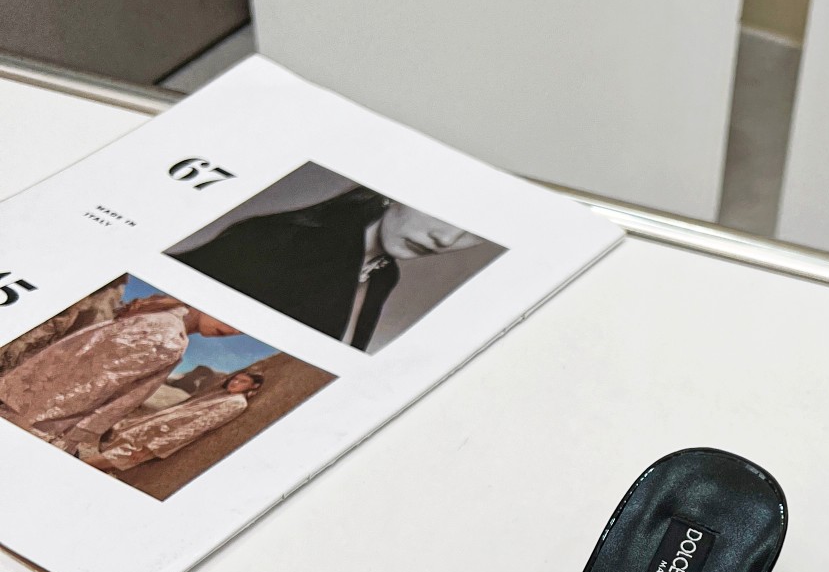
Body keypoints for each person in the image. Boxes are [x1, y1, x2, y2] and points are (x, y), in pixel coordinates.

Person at [176, 187, 482, 351]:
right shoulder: (281, 240)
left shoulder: (383, 274)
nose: (446, 239)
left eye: (474, 232)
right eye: (445, 213)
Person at [0, 292, 241, 452]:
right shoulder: (168, 335)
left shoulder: (159, 320)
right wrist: (54, 435)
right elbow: (96, 383)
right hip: (39, 421)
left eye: (239, 330)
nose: (233, 331)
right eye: (232, 319)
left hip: (24, 404)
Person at [81, 368, 265, 474]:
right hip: (147, 431)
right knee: (103, 462)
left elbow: (197, 427)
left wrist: (151, 448)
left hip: (155, 440)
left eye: (242, 381)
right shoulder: (221, 395)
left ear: (253, 386)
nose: (235, 382)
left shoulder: (235, 403)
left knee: (105, 460)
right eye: (235, 379)